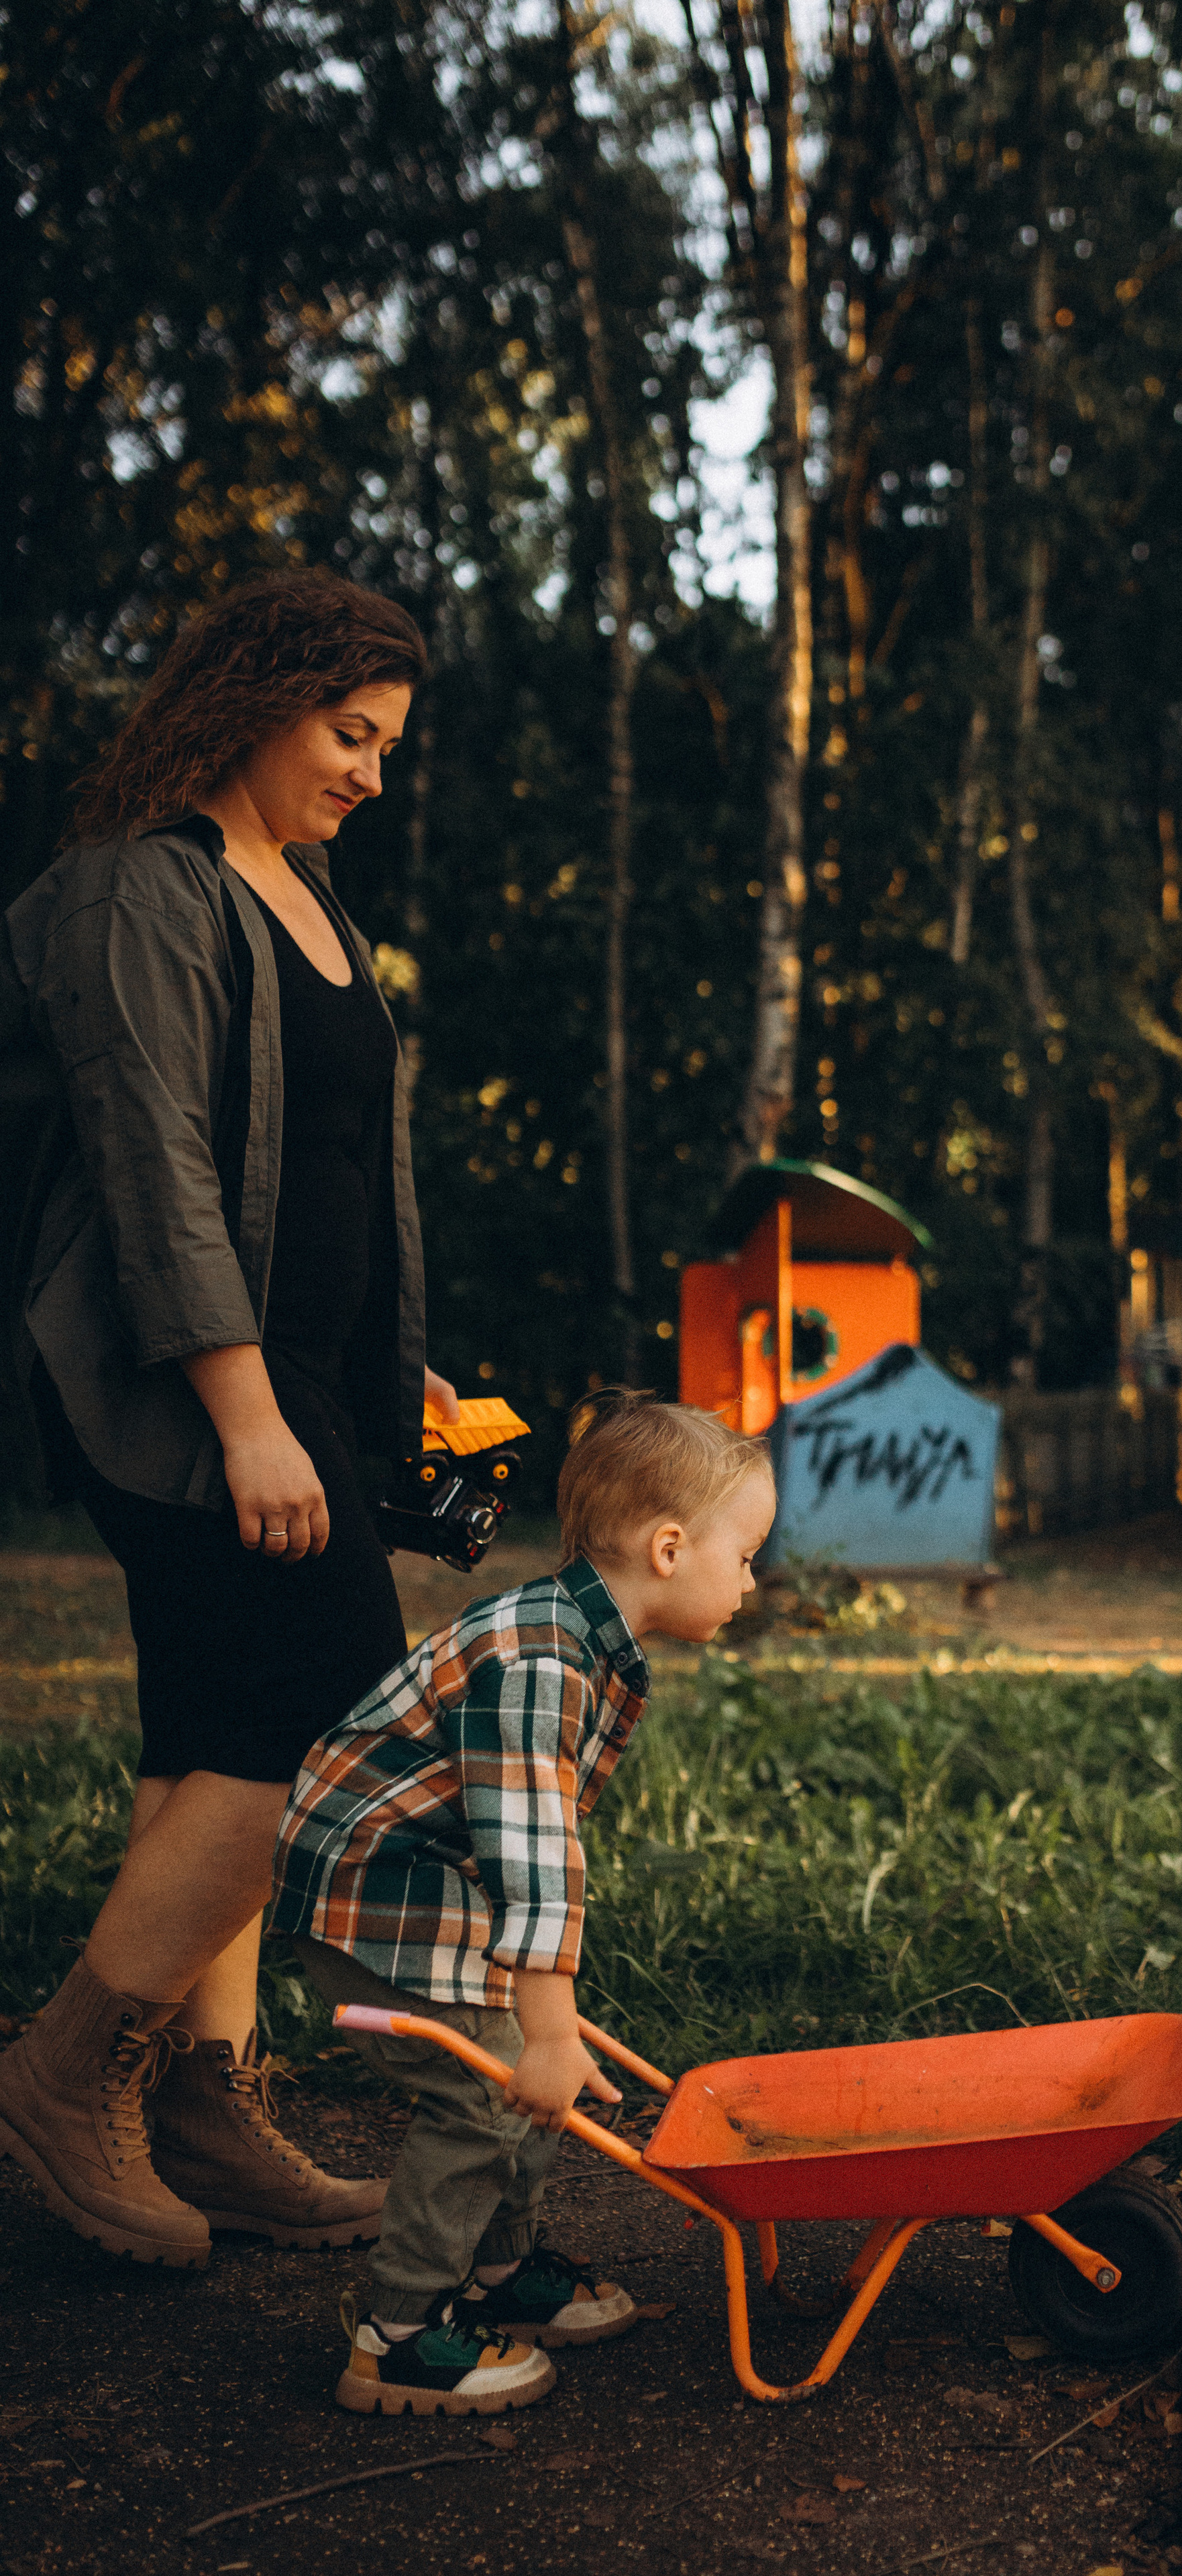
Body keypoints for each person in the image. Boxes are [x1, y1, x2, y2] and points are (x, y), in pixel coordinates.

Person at [0, 570, 459, 2269]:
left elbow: (334, 1165)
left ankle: (201, 2096)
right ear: (254, 701)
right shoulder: (141, 891)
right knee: (319, 1724)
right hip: (181, 1386)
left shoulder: (314, 895)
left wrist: (378, 1365)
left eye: (386, 745)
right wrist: (248, 1415)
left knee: (209, 1737)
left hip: (304, 1379)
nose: (370, 773)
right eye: (350, 734)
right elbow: (153, 1169)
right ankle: (65, 2071)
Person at [270, 1391, 775, 2417]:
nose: (752, 1579)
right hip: (376, 1889)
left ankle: (499, 2269)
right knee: (493, 2085)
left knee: (526, 2068)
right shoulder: (542, 1662)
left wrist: (541, 2028)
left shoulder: (575, 1635)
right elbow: (533, 1859)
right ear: (671, 1549)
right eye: (747, 1553)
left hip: (428, 1878)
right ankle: (400, 2335)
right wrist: (543, 2031)